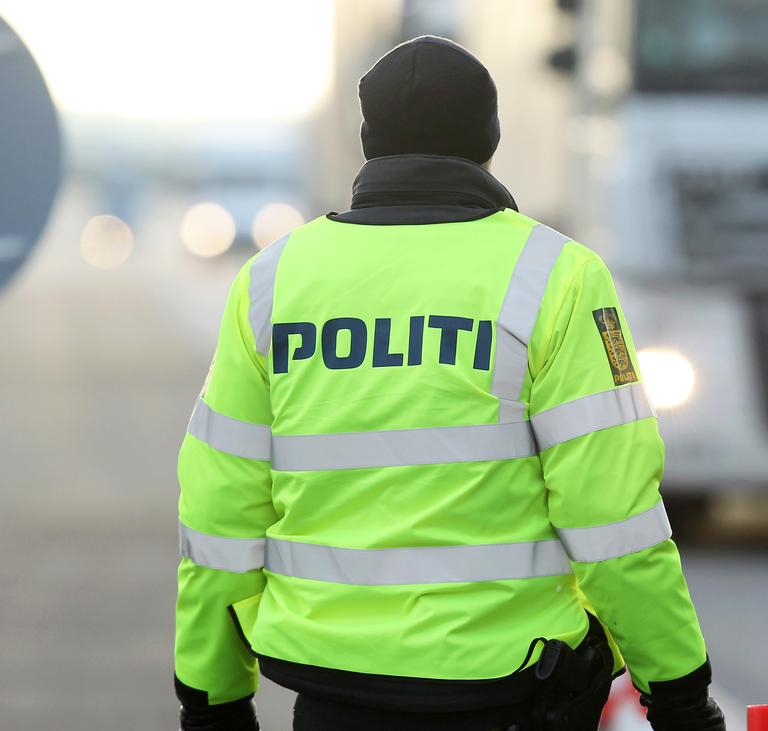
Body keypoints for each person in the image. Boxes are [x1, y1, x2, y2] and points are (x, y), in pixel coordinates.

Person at [173, 36, 727, 731]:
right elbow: (612, 515)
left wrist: (212, 697)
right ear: (489, 138)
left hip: (331, 686)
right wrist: (678, 692)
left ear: (367, 140)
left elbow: (221, 512)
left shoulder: (272, 280)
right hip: (508, 686)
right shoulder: (557, 276)